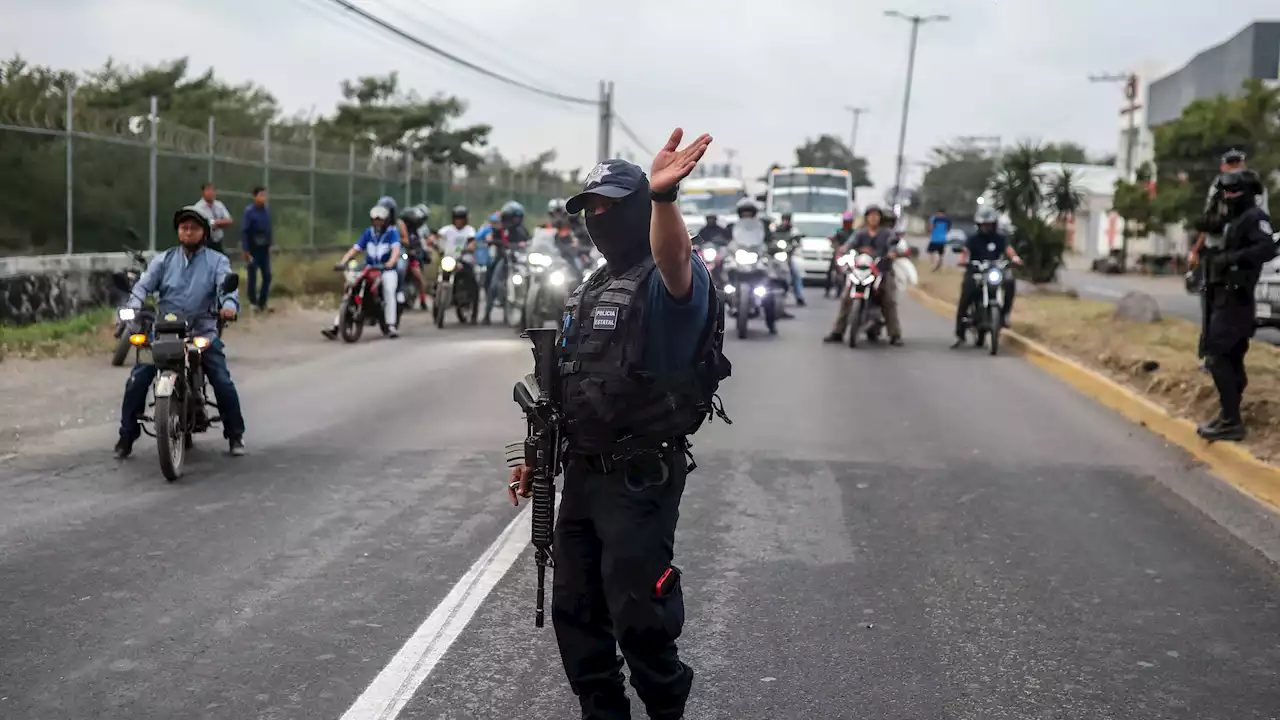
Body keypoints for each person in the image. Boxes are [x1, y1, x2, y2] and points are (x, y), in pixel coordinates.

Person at [508, 130, 729, 720]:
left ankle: (665, 710)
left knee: (640, 615)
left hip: (639, 475)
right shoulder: (591, 287)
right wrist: (536, 454)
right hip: (580, 472)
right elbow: (570, 381)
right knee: (576, 614)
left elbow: (675, 258)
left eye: (611, 206)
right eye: (591, 209)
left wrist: (664, 200)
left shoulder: (669, 281)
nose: (599, 218)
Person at [115, 207, 245, 459]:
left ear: (204, 234)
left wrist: (228, 306)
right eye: (183, 227)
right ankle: (126, 436)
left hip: (202, 331)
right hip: (164, 332)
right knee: (137, 379)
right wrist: (132, 307)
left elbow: (226, 287)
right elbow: (143, 286)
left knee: (222, 380)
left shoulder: (217, 262)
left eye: (193, 228)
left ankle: (235, 434)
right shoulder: (163, 260)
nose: (187, 232)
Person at [1197, 169, 1277, 441]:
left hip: (1237, 299)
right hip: (1224, 297)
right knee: (1228, 358)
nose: (1229, 196)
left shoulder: (1255, 217)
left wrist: (1232, 258)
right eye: (1226, 192)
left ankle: (1232, 420)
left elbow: (1267, 248)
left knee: (1218, 356)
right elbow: (1205, 224)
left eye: (1234, 191)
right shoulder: (1233, 218)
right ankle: (1227, 413)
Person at [1190, 149, 1270, 366]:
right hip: (1216, 251)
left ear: (1243, 163)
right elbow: (1209, 219)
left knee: (1236, 305)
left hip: (1239, 254)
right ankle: (1212, 356)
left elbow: (1262, 227)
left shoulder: (1254, 186)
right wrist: (1197, 248)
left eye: (1237, 162)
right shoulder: (1218, 185)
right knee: (1212, 304)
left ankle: (1227, 357)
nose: (1234, 166)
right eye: (1230, 163)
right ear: (1223, 166)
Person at [824, 205, 903, 345]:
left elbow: (892, 245)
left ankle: (895, 334)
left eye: (876, 216)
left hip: (881, 270)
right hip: (861, 269)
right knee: (846, 297)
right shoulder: (860, 233)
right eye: (870, 215)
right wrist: (843, 250)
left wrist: (891, 252)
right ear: (866, 218)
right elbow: (849, 245)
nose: (873, 218)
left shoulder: (887, 233)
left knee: (889, 300)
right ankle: (838, 331)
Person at [322, 205, 403, 340]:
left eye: (380, 220)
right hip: (369, 269)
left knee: (389, 290)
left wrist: (390, 263)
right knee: (351, 288)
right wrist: (343, 262)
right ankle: (336, 326)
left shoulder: (392, 233)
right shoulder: (368, 233)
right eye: (375, 220)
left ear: (386, 220)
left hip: (385, 269)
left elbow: (396, 250)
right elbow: (356, 249)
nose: (378, 223)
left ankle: (391, 325)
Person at [950, 206, 1022, 348]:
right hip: (976, 270)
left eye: (989, 224)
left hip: (994, 270)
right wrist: (963, 261)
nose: (987, 227)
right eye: (984, 225)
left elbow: (1008, 250)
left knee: (1009, 283)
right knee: (967, 294)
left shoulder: (1000, 238)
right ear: (979, 225)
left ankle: (1005, 314)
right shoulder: (973, 239)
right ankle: (960, 332)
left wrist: (1015, 258)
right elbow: (965, 251)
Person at [484, 201, 527, 324]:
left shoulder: (522, 230)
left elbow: (529, 242)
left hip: (519, 261)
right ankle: (486, 314)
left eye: (517, 218)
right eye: (513, 218)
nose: (515, 221)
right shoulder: (500, 230)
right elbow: (492, 239)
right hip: (504, 260)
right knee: (493, 284)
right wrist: (495, 242)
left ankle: (525, 316)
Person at [241, 186, 273, 312]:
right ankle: (253, 302)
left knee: (267, 275)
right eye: (260, 195)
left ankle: (263, 302)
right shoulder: (249, 212)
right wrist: (246, 250)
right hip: (253, 248)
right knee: (252, 275)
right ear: (255, 197)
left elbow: (269, 228)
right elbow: (244, 231)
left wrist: (270, 244)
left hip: (264, 248)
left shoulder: (266, 210)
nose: (263, 198)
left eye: (264, 195)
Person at [401, 204, 432, 309]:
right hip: (401, 258)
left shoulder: (416, 232)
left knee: (418, 276)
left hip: (412, 258)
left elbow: (420, 244)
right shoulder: (398, 230)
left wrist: (416, 251)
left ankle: (423, 300)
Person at [775, 211, 806, 307]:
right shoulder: (777, 229)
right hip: (777, 257)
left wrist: (795, 244)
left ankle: (799, 296)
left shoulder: (794, 231)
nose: (785, 222)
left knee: (796, 274)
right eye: (784, 219)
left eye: (787, 220)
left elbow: (798, 242)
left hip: (787, 257)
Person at [193, 183, 233, 255]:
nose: (211, 193)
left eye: (212, 190)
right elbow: (202, 224)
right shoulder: (198, 208)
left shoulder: (219, 205)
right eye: (208, 190)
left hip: (218, 241)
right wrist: (218, 223)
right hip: (205, 242)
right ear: (203, 192)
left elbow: (229, 221)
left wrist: (215, 223)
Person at [825, 211, 857, 298]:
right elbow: (834, 242)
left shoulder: (854, 233)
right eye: (846, 222)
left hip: (850, 255)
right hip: (839, 254)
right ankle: (827, 289)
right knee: (831, 270)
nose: (847, 223)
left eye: (849, 222)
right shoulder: (839, 232)